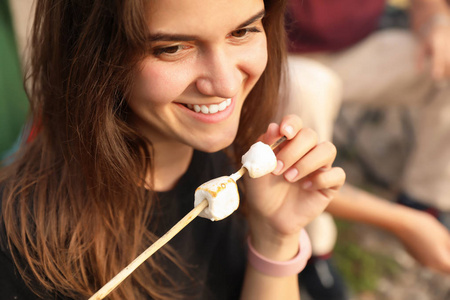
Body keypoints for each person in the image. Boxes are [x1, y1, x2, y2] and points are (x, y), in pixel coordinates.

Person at [0, 0, 346, 299]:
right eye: (172, 48)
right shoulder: (19, 243)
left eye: (242, 32)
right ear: (93, 54)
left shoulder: (232, 165)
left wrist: (275, 239)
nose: (225, 83)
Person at [283, 0, 450, 299]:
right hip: (280, 55)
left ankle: (425, 203)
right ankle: (314, 248)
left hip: (359, 45)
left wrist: (436, 22)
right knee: (305, 89)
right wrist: (401, 223)